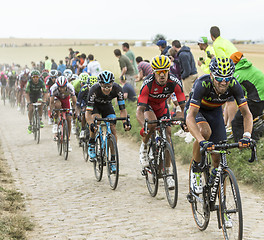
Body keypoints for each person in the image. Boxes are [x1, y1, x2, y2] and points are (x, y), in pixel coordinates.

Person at [185, 57, 253, 197]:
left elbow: (247, 114)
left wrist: (247, 135)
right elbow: (190, 116)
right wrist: (201, 140)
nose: (224, 82)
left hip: (215, 113)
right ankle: (196, 170)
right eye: (219, 78)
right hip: (197, 111)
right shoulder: (202, 84)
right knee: (204, 132)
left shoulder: (234, 85)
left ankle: (222, 205)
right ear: (211, 75)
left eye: (227, 79)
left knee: (219, 158)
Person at [136, 55, 186, 187]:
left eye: (165, 71)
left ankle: (168, 173)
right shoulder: (148, 84)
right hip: (148, 106)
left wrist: (184, 120)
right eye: (159, 72)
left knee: (168, 135)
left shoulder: (174, 82)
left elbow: (183, 106)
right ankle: (144, 147)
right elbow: (139, 111)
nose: (162, 74)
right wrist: (144, 127)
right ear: (154, 72)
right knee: (151, 124)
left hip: (162, 107)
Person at [85, 70, 131, 160]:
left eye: (109, 86)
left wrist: (125, 122)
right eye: (104, 86)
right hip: (95, 106)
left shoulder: (118, 89)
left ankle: (113, 158)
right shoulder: (94, 90)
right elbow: (88, 113)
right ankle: (91, 144)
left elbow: (122, 109)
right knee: (96, 121)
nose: (107, 89)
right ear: (100, 85)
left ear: (112, 84)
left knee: (113, 127)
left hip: (107, 106)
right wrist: (91, 124)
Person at [230, 51, 264, 141]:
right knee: (249, 120)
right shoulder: (249, 67)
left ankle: (241, 146)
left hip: (257, 100)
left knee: (237, 123)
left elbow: (229, 89)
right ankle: (254, 140)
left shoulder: (238, 73)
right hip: (260, 98)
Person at [210, 26, 239, 127]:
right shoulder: (224, 41)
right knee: (228, 99)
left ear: (211, 35)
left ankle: (231, 125)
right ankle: (226, 124)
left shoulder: (216, 44)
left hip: (231, 69)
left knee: (230, 99)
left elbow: (222, 61)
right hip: (236, 64)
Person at [50, 76, 77, 152]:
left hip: (66, 99)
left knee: (69, 119)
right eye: (60, 87)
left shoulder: (70, 87)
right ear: (57, 86)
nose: (62, 89)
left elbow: (74, 101)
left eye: (63, 87)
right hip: (57, 98)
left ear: (66, 86)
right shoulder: (53, 88)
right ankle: (56, 124)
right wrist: (52, 111)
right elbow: (51, 102)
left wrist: (74, 111)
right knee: (57, 106)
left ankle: (67, 141)